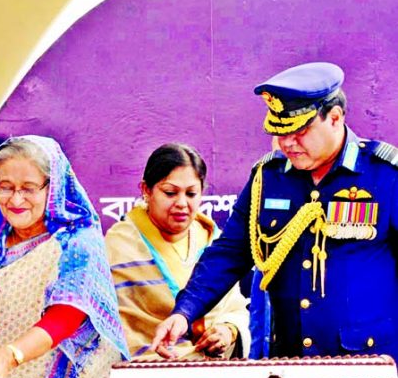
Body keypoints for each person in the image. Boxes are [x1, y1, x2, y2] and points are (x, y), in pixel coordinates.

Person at [153, 62, 398, 361]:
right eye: (280, 132)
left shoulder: (385, 176)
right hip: (288, 366)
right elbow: (229, 253)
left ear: (334, 118)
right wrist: (184, 312)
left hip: (370, 370)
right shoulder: (268, 178)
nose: (287, 143)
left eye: (300, 131)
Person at [0, 135, 128, 378]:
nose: (16, 199)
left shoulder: (79, 239)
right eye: (6, 187)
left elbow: (67, 314)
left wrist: (9, 357)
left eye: (29, 188)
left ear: (53, 187)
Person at [105, 143, 251, 359]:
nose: (182, 203)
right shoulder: (118, 246)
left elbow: (236, 309)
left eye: (191, 194)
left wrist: (227, 331)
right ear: (146, 190)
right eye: (170, 193)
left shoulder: (215, 242)